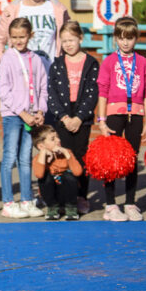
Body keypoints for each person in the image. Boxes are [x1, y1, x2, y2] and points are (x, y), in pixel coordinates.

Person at [96, 16, 146, 221]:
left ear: (136, 38)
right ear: (115, 38)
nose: (125, 42)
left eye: (129, 38)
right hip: (114, 114)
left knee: (132, 159)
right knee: (110, 160)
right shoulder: (109, 61)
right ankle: (111, 205)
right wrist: (102, 120)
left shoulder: (143, 62)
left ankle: (130, 203)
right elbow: (102, 92)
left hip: (135, 115)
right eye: (121, 38)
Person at [47, 21, 99, 215]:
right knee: (62, 157)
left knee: (80, 157)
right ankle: (64, 198)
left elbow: (93, 93)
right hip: (63, 117)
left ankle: (81, 197)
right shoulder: (57, 64)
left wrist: (79, 118)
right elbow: (51, 94)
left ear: (81, 39)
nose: (68, 44)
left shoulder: (91, 63)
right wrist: (64, 117)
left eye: (71, 40)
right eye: (64, 41)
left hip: (82, 117)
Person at [0, 17, 47, 219]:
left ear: (30, 36)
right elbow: (3, 90)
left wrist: (40, 110)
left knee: (25, 158)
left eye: (22, 37)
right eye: (14, 37)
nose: (18, 41)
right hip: (13, 115)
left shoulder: (36, 59)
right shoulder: (7, 58)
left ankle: (27, 200)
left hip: (31, 117)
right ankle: (8, 202)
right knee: (10, 157)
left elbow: (43, 87)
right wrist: (22, 112)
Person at [0, 0, 70, 76]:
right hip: (20, 73)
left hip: (51, 73)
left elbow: (69, 38)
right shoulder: (12, 10)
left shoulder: (58, 10)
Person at [31, 125, 83, 221]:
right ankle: (52, 207)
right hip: (52, 195)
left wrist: (66, 153)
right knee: (44, 178)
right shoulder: (38, 158)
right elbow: (39, 174)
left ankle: (71, 207)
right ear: (41, 146)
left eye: (58, 137)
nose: (58, 140)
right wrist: (43, 153)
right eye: (53, 139)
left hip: (67, 193)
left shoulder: (67, 153)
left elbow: (78, 172)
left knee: (68, 175)